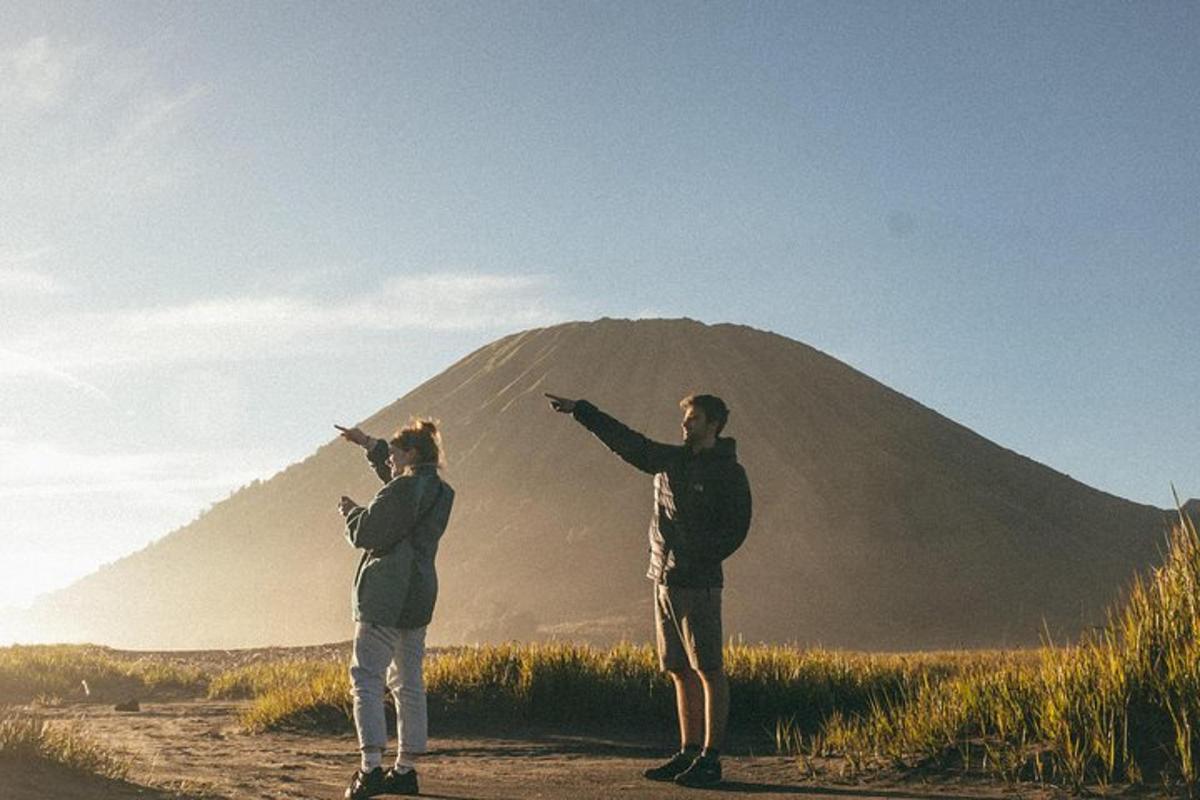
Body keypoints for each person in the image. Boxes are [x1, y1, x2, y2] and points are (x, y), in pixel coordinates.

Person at [545, 392, 751, 787]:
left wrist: (699, 555)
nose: (685, 425)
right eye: (685, 419)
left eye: (692, 420)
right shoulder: (671, 461)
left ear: (714, 425)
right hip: (665, 578)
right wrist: (582, 411)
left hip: (700, 582)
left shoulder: (728, 472)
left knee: (708, 668)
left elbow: (737, 528)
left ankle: (712, 758)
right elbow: (628, 443)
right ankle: (689, 751)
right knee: (678, 669)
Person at [335, 419, 455, 800]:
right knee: (409, 682)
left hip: (386, 593)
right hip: (419, 594)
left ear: (412, 454)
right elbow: (397, 486)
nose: (391, 458)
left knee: (367, 679)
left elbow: (369, 531)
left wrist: (351, 513)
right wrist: (367, 443)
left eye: (397, 453)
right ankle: (405, 769)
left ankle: (369, 768)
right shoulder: (439, 491)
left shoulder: (403, 488)